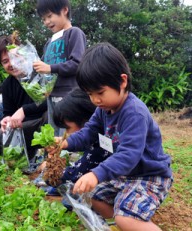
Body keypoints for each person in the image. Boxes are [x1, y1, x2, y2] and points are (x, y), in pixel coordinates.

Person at [51, 43, 173, 231]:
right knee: (93, 198)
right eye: (90, 94)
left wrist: (97, 173)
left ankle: (129, 219)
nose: (95, 100)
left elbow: (129, 155)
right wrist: (65, 142)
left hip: (149, 176)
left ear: (122, 81)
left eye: (100, 93)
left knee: (125, 217)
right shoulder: (104, 110)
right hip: (125, 176)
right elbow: (88, 132)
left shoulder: (134, 112)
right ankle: (126, 219)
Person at [0, 35, 47, 161]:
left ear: (22, 54)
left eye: (13, 57)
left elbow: (51, 101)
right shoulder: (7, 85)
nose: (11, 64)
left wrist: (24, 110)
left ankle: (52, 155)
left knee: (51, 115)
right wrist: (7, 119)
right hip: (26, 128)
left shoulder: (39, 72)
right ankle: (28, 155)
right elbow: (8, 112)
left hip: (44, 122)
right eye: (5, 61)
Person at [33, 0, 86, 136]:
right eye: (43, 19)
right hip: (51, 95)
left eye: (49, 16)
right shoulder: (49, 42)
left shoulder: (74, 33)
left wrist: (50, 68)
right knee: (53, 134)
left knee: (66, 135)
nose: (46, 22)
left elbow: (77, 63)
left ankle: (68, 157)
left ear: (64, 10)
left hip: (68, 95)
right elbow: (42, 67)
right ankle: (55, 157)